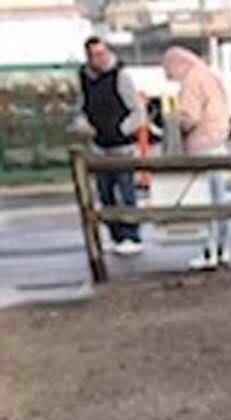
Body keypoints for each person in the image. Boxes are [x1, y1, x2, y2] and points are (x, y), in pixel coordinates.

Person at [162, 46, 231, 271]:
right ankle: (223, 248)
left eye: (168, 70)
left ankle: (209, 251)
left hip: (202, 145)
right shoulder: (209, 75)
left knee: (205, 201)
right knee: (220, 200)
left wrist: (175, 122)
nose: (169, 75)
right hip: (219, 142)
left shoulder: (191, 81)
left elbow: (190, 118)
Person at [74, 36, 144, 256]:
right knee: (105, 194)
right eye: (95, 55)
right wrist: (83, 125)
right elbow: (80, 108)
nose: (101, 58)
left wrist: (122, 129)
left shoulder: (120, 76)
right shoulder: (85, 78)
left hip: (122, 146)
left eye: (103, 53)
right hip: (99, 145)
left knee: (126, 191)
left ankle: (132, 236)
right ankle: (116, 236)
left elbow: (137, 110)